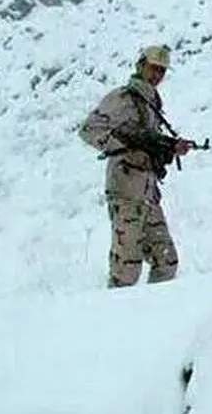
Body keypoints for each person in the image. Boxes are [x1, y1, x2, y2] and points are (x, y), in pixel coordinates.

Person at [79, 45, 193, 288]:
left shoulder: (150, 102)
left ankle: (151, 316)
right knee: (126, 270)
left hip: (147, 192)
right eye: (153, 68)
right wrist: (122, 146)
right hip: (126, 189)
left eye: (162, 71)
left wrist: (169, 147)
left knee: (166, 262)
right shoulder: (123, 97)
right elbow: (89, 129)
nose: (157, 75)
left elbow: (147, 141)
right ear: (140, 66)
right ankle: (116, 321)